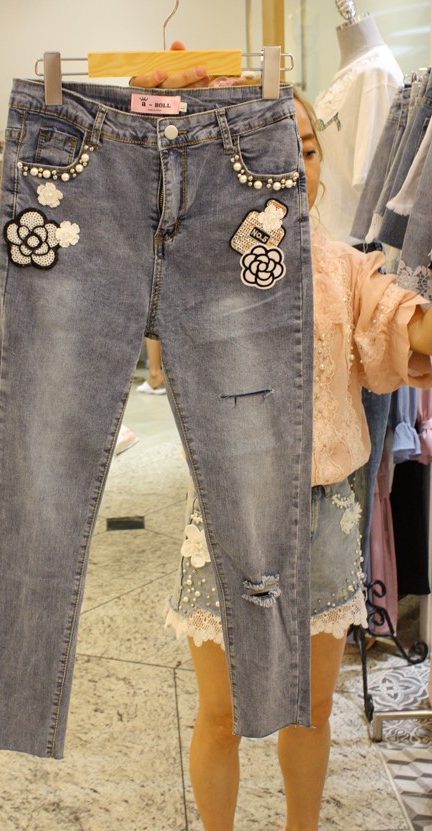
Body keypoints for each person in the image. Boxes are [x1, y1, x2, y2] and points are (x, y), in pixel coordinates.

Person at [133, 51, 432, 831]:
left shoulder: (345, 267)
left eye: (305, 148)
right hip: (229, 510)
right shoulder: (198, 261)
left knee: (312, 707)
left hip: (326, 511)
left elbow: (402, 325)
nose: (294, 166)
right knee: (221, 711)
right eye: (272, 148)